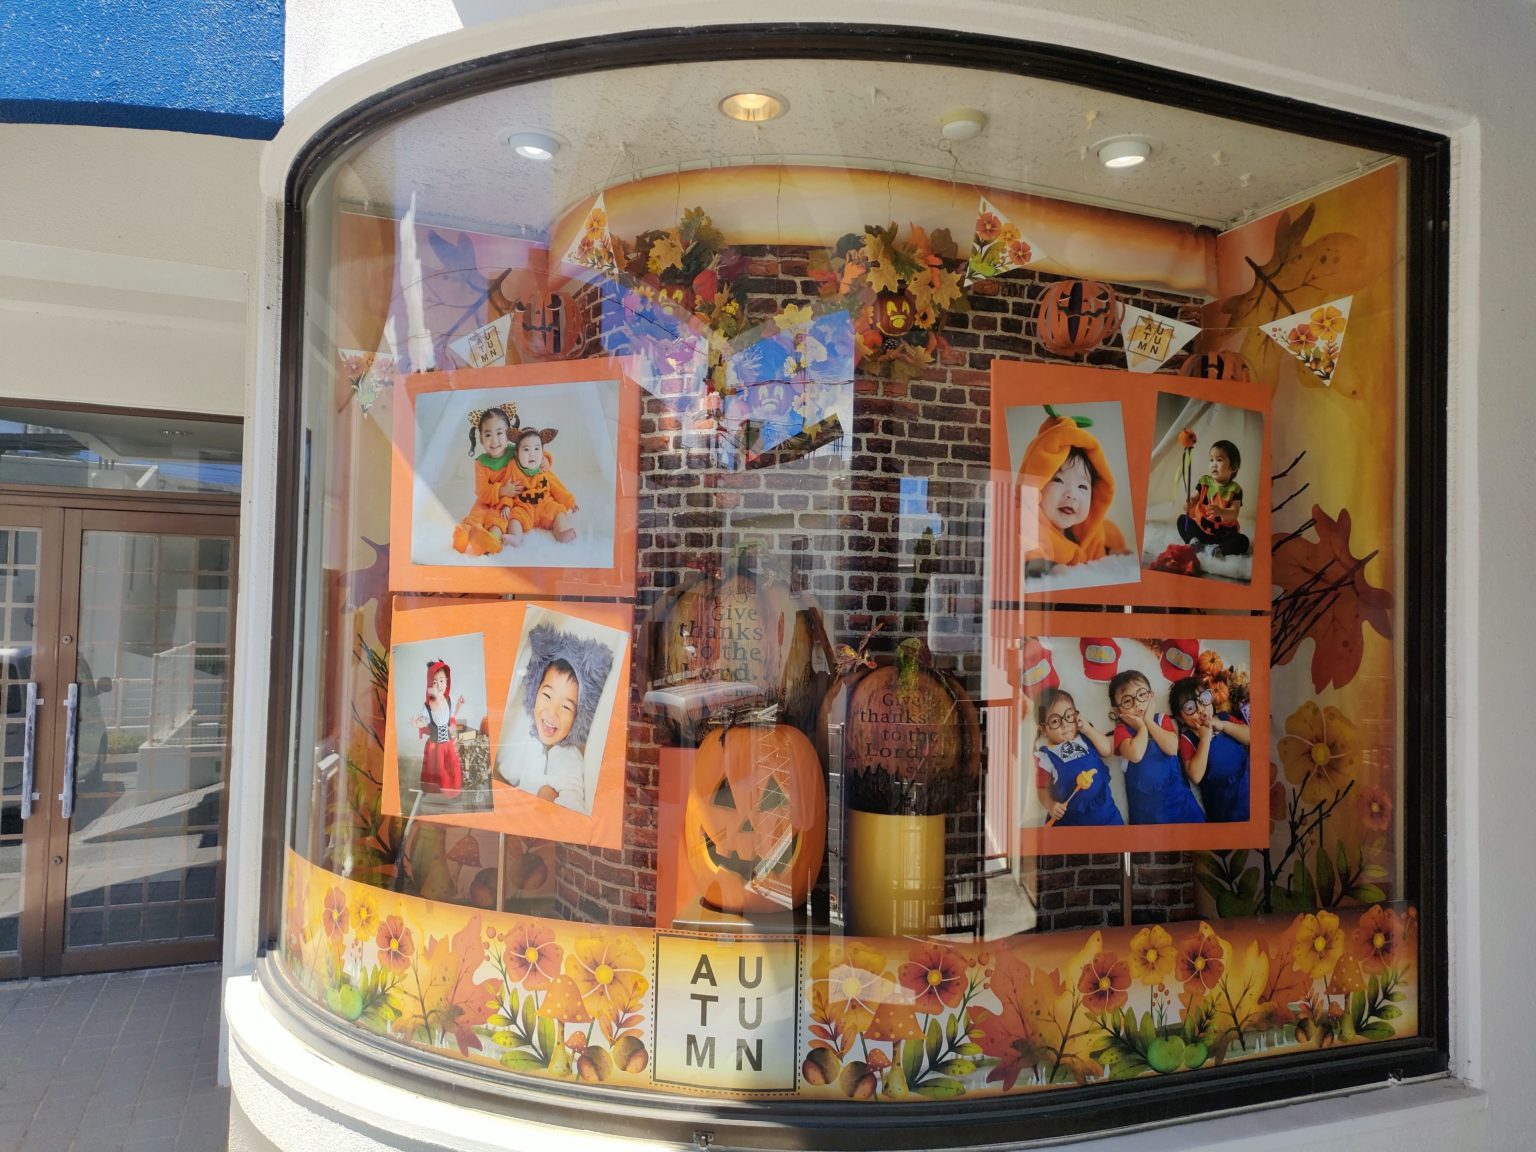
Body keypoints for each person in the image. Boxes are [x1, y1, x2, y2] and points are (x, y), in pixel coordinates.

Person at [498, 622, 616, 814]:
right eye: (547, 695)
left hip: (536, 824)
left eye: (566, 707)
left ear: (579, 718)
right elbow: (504, 777)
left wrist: (547, 802)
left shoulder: (570, 761)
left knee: (546, 793)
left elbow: (572, 808)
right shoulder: (524, 737)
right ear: (535, 692)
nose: (553, 713)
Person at [1018, 408, 1130, 574]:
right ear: (1037, 487)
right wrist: (1051, 569)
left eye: (1082, 487)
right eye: (1058, 480)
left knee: (1108, 530)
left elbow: (1092, 554)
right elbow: (1026, 557)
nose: (1071, 495)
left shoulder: (1087, 533)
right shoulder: (1028, 527)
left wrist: (1109, 553)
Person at [1109, 670, 1206, 825]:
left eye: (1142, 695)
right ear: (1117, 711)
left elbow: (1171, 748)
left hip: (1183, 807)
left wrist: (1148, 722)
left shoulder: (1161, 720)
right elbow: (1135, 754)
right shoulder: (1122, 731)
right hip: (1148, 817)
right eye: (1127, 701)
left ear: (1151, 696)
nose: (1137, 703)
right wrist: (1141, 728)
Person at [1034, 687, 1124, 826]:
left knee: (1118, 838)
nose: (1065, 724)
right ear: (1043, 730)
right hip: (1072, 822)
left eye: (1069, 716)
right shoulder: (1046, 757)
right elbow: (1041, 789)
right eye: (1055, 721)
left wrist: (1088, 729)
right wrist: (1051, 806)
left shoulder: (1085, 737)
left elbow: (1106, 750)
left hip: (1106, 813)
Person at [1171, 678, 1251, 823]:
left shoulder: (1224, 717)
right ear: (1180, 718)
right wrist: (1204, 740)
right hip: (1226, 806)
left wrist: (1224, 725)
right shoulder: (1187, 739)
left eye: (1204, 699)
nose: (1201, 709)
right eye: (1190, 707)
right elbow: (1195, 776)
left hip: (1250, 785)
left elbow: (1250, 737)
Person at [452, 402, 521, 556]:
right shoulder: (481, 463)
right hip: (486, 499)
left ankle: (491, 540)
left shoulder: (516, 452)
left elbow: (532, 454)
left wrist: (545, 459)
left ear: (509, 434)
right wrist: (502, 490)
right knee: (476, 514)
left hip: (507, 503)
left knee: (498, 520)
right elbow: (482, 492)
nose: (494, 440)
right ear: (482, 440)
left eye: (499, 433)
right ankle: (464, 534)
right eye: (488, 435)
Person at [499, 425, 579, 547]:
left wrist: (570, 502)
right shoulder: (513, 468)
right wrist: (506, 505)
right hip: (523, 506)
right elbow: (507, 488)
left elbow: (557, 487)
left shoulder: (543, 469)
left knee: (558, 511)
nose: (532, 454)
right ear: (517, 454)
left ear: (543, 453)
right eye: (526, 450)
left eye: (537, 449)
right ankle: (516, 537)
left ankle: (562, 533)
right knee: (514, 517)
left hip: (545, 504)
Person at [1178, 439, 1249, 557]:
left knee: (1243, 541)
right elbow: (1193, 498)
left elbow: (1234, 512)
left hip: (1223, 534)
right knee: (1182, 520)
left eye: (1219, 460)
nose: (1214, 464)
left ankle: (1216, 549)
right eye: (1211, 460)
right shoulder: (1204, 483)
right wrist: (1189, 503)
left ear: (1234, 467)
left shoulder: (1235, 490)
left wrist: (1221, 512)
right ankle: (1194, 542)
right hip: (1201, 530)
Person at [412, 660, 465, 796]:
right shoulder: (428, 705)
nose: (439, 685)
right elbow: (424, 720)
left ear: (447, 681)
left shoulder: (449, 700)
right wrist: (417, 723)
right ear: (430, 685)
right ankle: (434, 791)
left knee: (451, 767)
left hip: (447, 743)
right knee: (436, 770)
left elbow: (451, 716)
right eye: (435, 682)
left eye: (441, 680)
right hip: (435, 746)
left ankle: (451, 791)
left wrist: (459, 705)